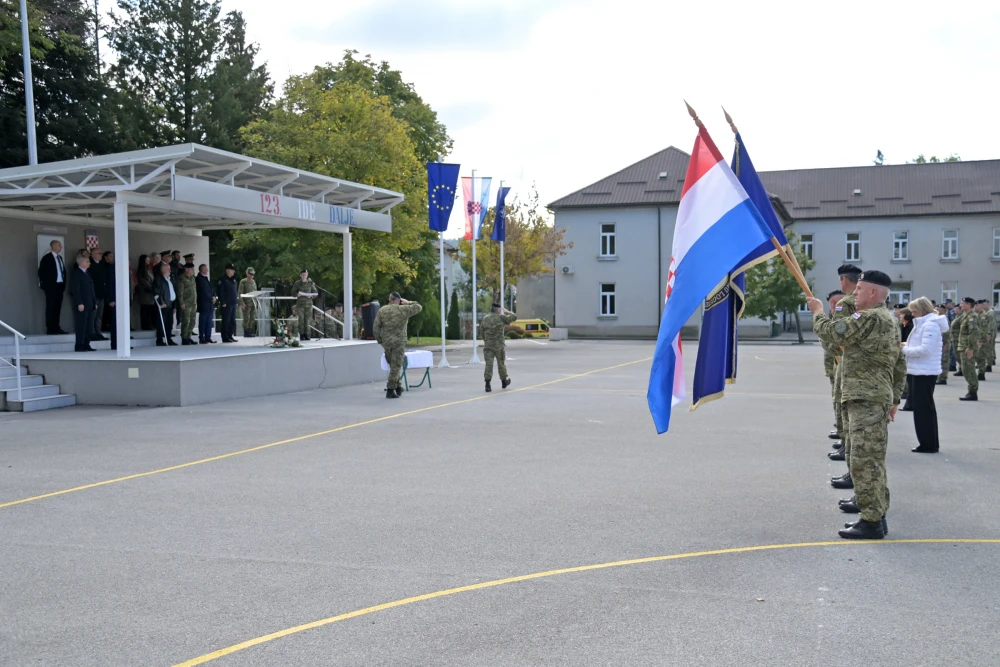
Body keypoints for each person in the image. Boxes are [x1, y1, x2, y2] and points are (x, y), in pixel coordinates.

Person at [808, 270, 907, 539]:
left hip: (866, 398)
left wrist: (817, 311)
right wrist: (895, 397)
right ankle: (876, 514)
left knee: (864, 461)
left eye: (860, 289)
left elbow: (833, 332)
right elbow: (900, 362)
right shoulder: (887, 319)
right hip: (870, 396)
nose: (855, 293)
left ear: (873, 293)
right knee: (869, 459)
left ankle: (872, 521)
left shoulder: (870, 316)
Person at [826, 264, 861, 482]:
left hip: (849, 367)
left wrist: (818, 317)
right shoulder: (875, 309)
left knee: (848, 418)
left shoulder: (846, 304)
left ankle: (852, 472)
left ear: (843, 280)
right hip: (854, 369)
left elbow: (834, 339)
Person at [901, 297, 944, 453]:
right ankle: (929, 442)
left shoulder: (930, 325)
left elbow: (925, 350)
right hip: (920, 370)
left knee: (923, 409)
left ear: (922, 310)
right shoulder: (924, 323)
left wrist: (903, 350)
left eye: (914, 310)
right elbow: (919, 346)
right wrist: (906, 345)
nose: (912, 313)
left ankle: (928, 443)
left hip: (924, 371)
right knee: (924, 408)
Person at [373, 292, 422, 399]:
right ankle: (390, 390)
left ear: (389, 299)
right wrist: (408, 302)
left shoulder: (382, 310)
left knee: (393, 365)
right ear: (398, 300)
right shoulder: (403, 310)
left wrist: (380, 341)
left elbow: (376, 327)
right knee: (396, 365)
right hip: (399, 342)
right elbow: (418, 307)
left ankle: (398, 387)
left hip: (386, 342)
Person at [481, 303, 517, 392]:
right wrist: (508, 312)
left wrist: (486, 340)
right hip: (499, 345)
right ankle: (504, 381)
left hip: (488, 345)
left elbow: (482, 332)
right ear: (497, 309)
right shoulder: (501, 317)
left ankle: (487, 384)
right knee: (501, 363)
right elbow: (514, 317)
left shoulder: (485, 319)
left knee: (488, 364)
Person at [38, 239, 68, 335]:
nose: (61, 247)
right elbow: (41, 272)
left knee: (57, 308)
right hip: (51, 287)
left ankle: (56, 327)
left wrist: (63, 285)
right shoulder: (47, 258)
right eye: (59, 245)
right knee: (51, 307)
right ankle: (50, 328)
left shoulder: (60, 258)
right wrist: (45, 286)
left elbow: (62, 272)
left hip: (59, 286)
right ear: (54, 246)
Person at [69, 254, 97, 352]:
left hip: (90, 303)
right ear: (81, 262)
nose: (89, 263)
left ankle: (86, 344)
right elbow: (76, 290)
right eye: (87, 261)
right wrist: (79, 303)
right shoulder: (76, 274)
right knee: (81, 325)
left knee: (89, 326)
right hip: (82, 304)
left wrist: (94, 302)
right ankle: (79, 345)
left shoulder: (87, 273)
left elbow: (91, 289)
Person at [956, 298, 978, 401]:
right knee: (965, 370)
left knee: (969, 370)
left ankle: (973, 392)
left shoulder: (972, 317)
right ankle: (971, 391)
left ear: (969, 305)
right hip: (963, 346)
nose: (961, 305)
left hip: (967, 348)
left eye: (962, 303)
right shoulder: (966, 316)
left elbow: (973, 333)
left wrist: (970, 348)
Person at [152, 262, 177, 346]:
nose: (170, 270)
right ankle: (159, 340)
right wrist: (161, 302)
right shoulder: (158, 279)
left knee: (169, 323)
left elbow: (173, 292)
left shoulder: (169, 279)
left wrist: (174, 306)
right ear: (163, 270)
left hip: (170, 304)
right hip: (163, 305)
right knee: (161, 323)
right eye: (168, 269)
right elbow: (156, 292)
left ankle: (168, 338)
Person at [88, 247, 109, 341]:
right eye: (99, 253)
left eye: (101, 253)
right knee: (93, 315)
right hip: (94, 294)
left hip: (101, 294)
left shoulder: (102, 264)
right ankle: (92, 333)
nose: (101, 255)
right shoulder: (90, 265)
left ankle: (98, 332)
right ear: (93, 255)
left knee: (99, 315)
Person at [290, 269, 317, 340]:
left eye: (305, 274)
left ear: (307, 275)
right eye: (303, 274)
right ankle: (301, 334)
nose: (304, 276)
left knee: (307, 320)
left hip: (308, 305)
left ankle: (307, 335)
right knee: (301, 320)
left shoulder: (310, 283)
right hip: (300, 305)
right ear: (300, 275)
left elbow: (315, 293)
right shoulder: (297, 283)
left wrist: (311, 296)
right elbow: (292, 292)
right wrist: (297, 294)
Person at [176, 263, 198, 345]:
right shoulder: (181, 279)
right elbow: (180, 292)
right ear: (186, 269)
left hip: (193, 303)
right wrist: (181, 302)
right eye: (191, 269)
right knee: (186, 321)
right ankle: (184, 337)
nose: (193, 271)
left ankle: (189, 337)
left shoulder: (192, 278)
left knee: (192, 320)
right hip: (186, 303)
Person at [217, 264, 239, 343]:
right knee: (226, 321)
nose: (233, 271)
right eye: (232, 269)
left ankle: (230, 335)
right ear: (227, 270)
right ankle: (225, 337)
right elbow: (220, 292)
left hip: (232, 303)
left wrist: (236, 301)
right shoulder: (222, 279)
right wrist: (222, 302)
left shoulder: (233, 279)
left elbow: (234, 292)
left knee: (232, 321)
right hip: (226, 303)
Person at [196, 264, 217, 344]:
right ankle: (202, 337)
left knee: (209, 321)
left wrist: (214, 296)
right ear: (201, 269)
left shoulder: (206, 279)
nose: (207, 270)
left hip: (209, 304)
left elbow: (212, 289)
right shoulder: (199, 279)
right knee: (203, 321)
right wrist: (210, 297)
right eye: (205, 269)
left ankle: (208, 337)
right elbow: (203, 291)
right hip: (204, 303)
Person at [136, 255, 156, 331]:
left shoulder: (149, 269)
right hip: (145, 293)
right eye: (147, 259)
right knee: (145, 310)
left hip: (150, 293)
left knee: (150, 309)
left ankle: (150, 324)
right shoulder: (141, 270)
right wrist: (151, 287)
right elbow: (143, 281)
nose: (148, 261)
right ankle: (145, 325)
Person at [104, 251, 119, 350]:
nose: (112, 258)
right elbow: (109, 285)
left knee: (120, 323)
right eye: (110, 256)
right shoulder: (108, 268)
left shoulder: (115, 268)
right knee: (115, 323)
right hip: (114, 299)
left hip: (120, 299)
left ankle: (121, 342)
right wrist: (110, 299)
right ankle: (115, 344)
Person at [238, 268, 258, 337]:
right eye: (250, 274)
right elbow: (240, 293)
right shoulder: (243, 281)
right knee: (246, 318)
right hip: (246, 303)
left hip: (253, 302)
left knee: (252, 317)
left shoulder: (254, 282)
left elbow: (255, 291)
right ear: (247, 274)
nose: (252, 276)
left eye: (253, 274)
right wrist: (242, 303)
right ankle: (246, 331)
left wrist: (256, 302)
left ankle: (250, 330)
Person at [935, 304, 951, 386]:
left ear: (944, 310)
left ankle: (943, 378)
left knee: (944, 360)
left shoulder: (944, 318)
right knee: (940, 360)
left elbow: (946, 332)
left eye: (939, 309)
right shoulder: (939, 318)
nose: (937, 310)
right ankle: (940, 377)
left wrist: (944, 343)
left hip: (944, 342)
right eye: (936, 309)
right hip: (940, 342)